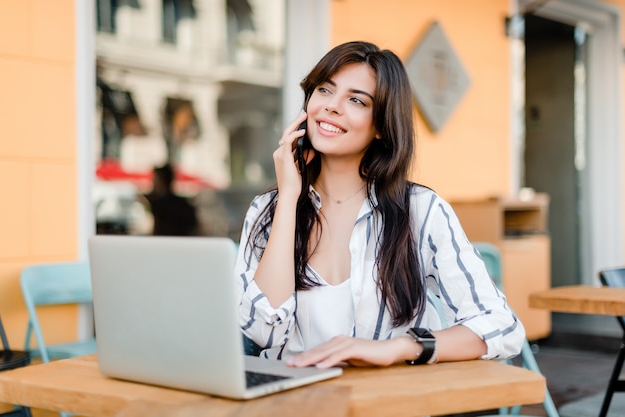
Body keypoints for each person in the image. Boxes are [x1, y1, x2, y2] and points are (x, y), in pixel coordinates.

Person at [235, 41, 524, 369]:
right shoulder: (268, 209)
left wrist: (401, 347)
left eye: (356, 100)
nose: (332, 107)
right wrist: (288, 198)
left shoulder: (420, 211)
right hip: (293, 400)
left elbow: (503, 327)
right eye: (325, 90)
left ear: (381, 126)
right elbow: (262, 333)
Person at [145, 163, 198, 236]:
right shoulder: (181, 203)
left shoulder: (163, 205)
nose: (153, 182)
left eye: (155, 179)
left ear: (161, 180)